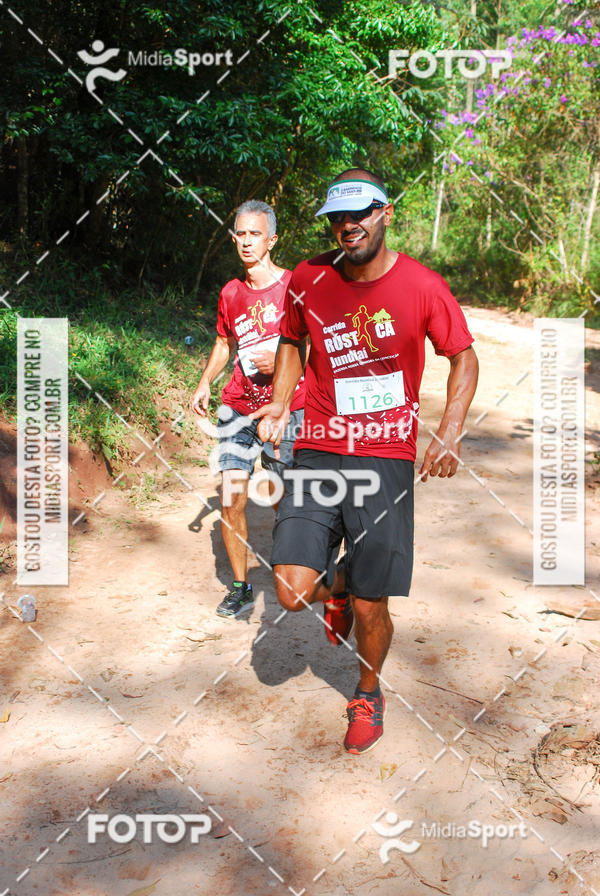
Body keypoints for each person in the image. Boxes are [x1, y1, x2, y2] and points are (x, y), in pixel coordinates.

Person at [253, 169, 479, 754]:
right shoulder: (309, 276)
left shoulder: (423, 286)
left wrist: (449, 431)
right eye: (338, 217)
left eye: (360, 213)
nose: (349, 225)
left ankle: (368, 692)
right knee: (290, 591)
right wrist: (279, 402)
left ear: (385, 213)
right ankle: (336, 586)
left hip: (385, 453)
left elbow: (462, 355)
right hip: (319, 445)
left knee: (371, 602)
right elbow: (292, 340)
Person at [191, 200, 304, 619]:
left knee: (282, 499)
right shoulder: (231, 292)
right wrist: (205, 381)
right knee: (231, 497)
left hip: (283, 409)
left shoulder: (293, 286)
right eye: (240, 233)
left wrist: (284, 364)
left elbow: (315, 344)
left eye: (255, 233)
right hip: (237, 407)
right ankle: (240, 587)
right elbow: (224, 342)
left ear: (271, 240)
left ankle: (295, 572)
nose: (246, 241)